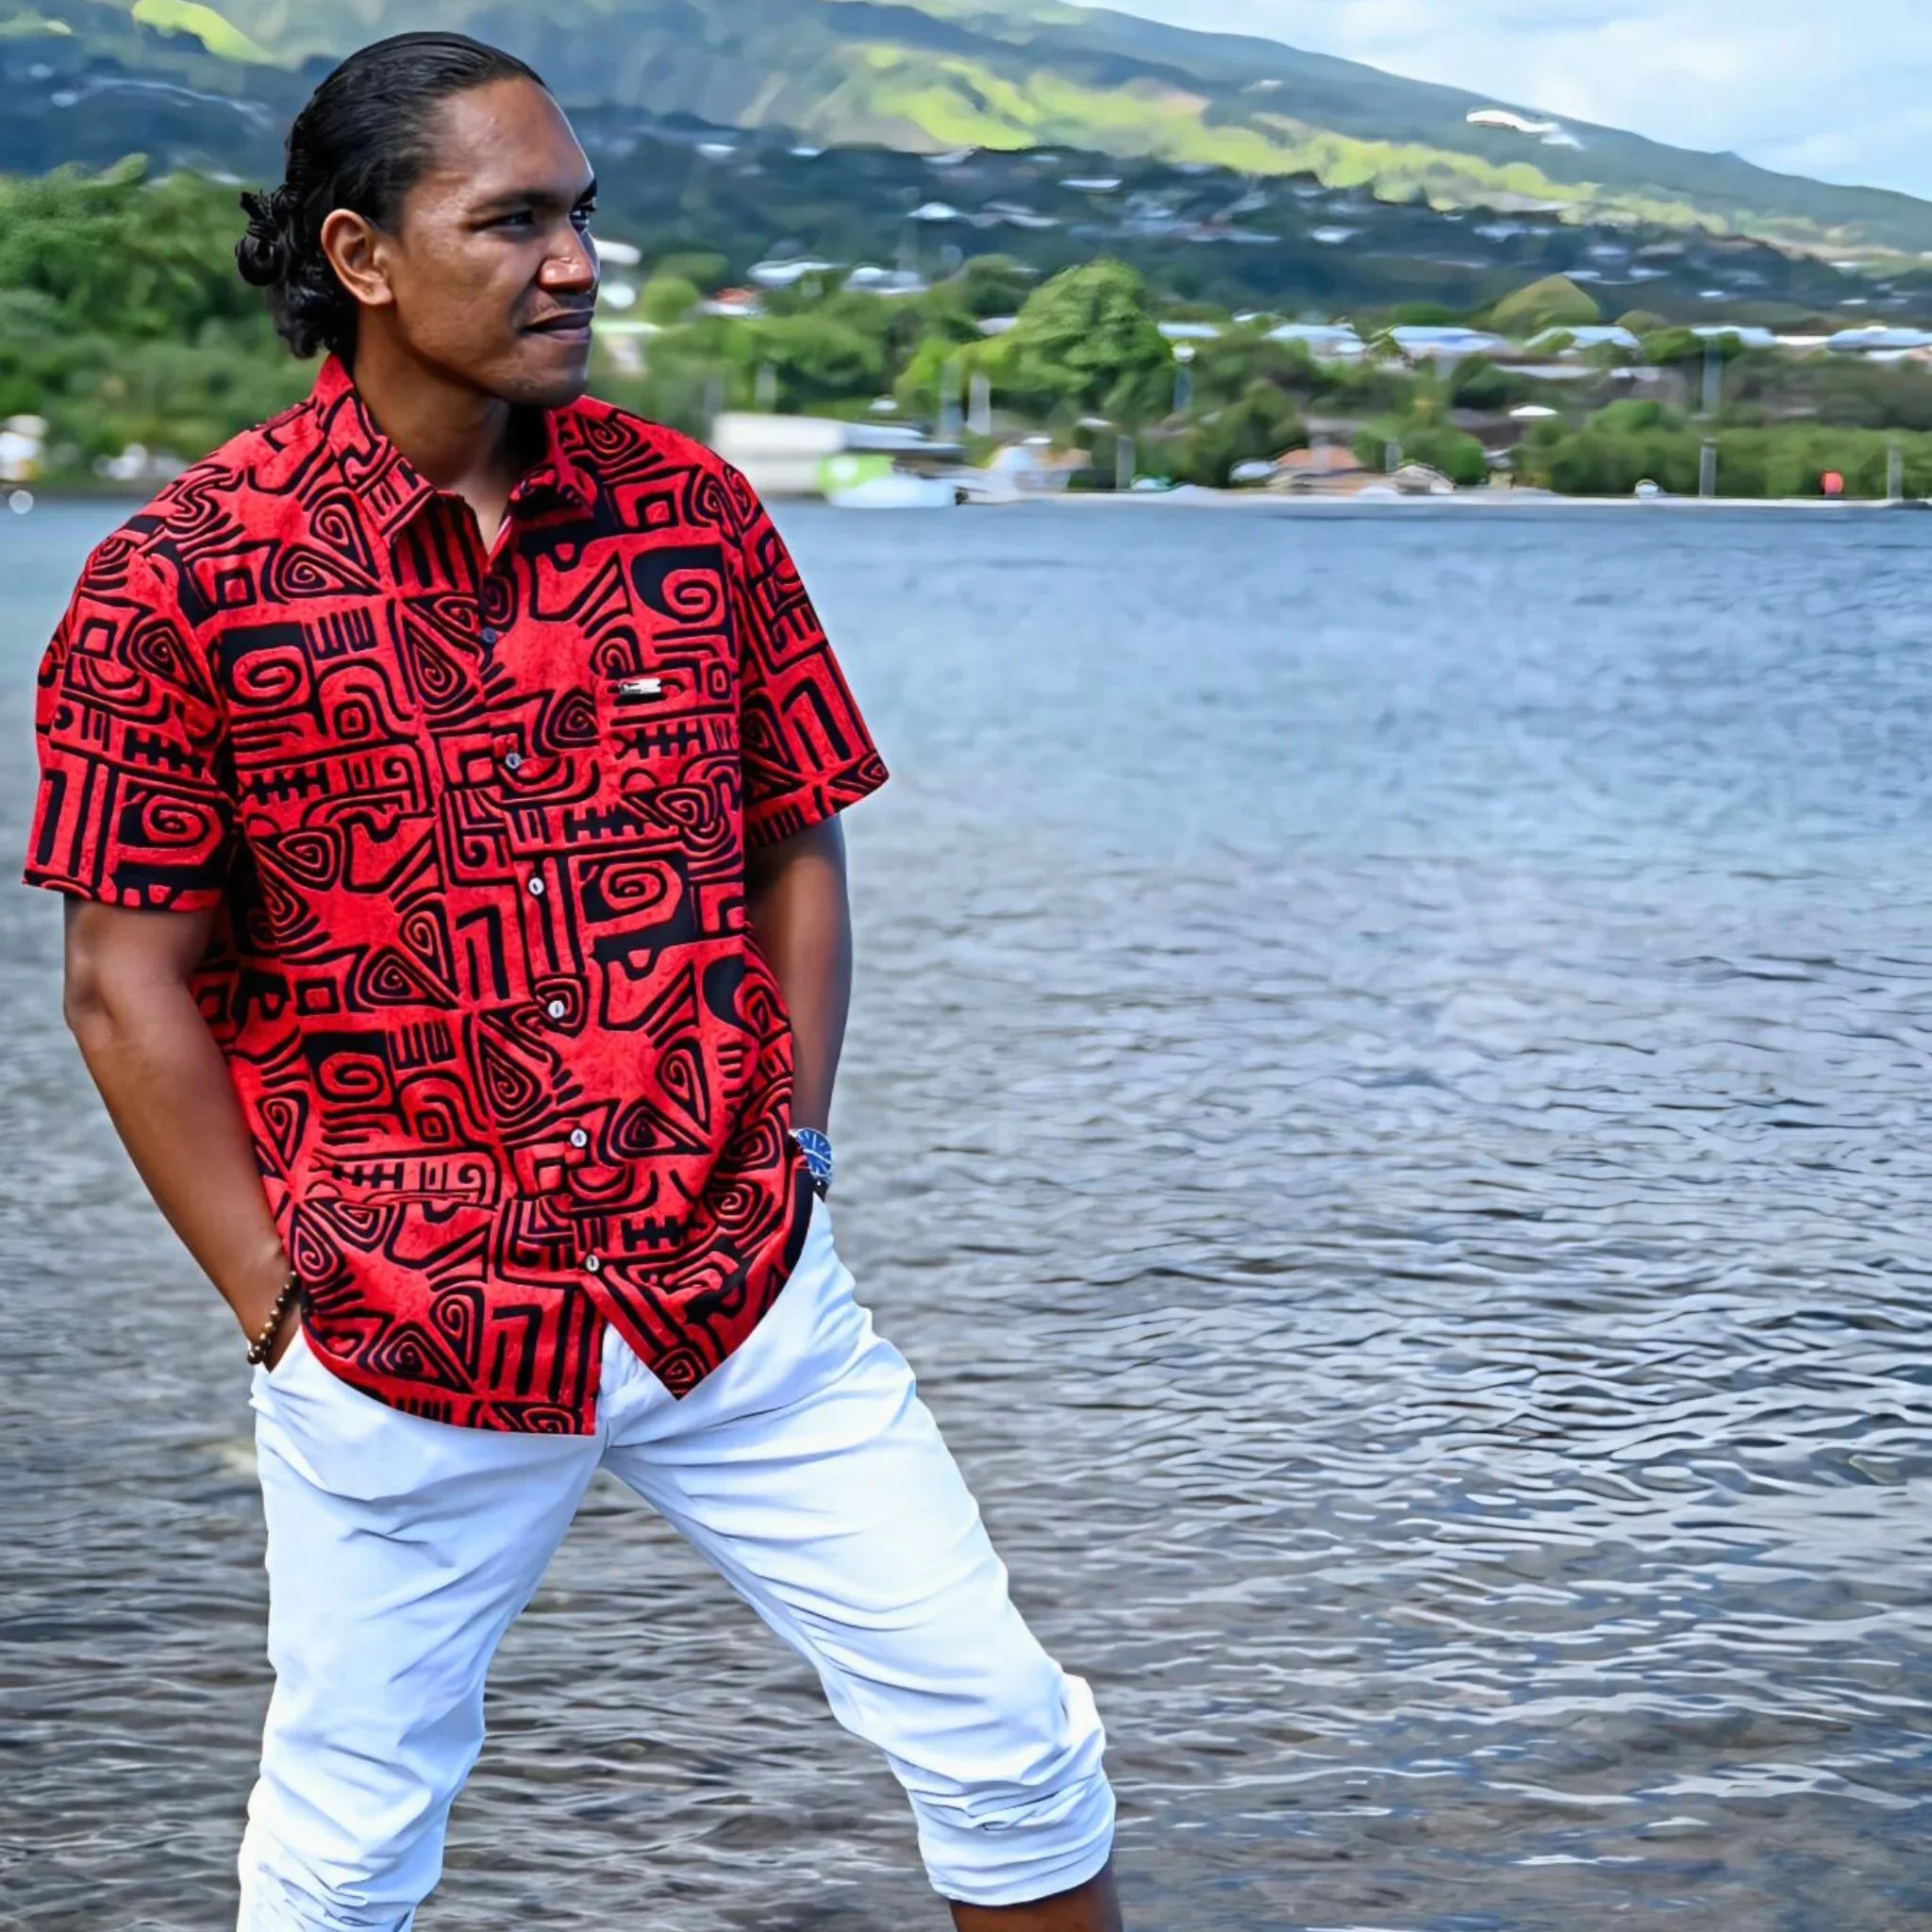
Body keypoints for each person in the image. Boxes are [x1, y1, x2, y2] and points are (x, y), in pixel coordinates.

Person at [24, 32, 1121, 1931]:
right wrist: (281, 1313)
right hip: (406, 1331)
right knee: (346, 1847)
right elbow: (126, 980)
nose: (574, 264)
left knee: (1010, 1739)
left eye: (582, 216)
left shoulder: (691, 514)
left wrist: (792, 1141)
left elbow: (796, 834)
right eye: (512, 220)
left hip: (741, 1298)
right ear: (364, 256)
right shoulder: (179, 579)